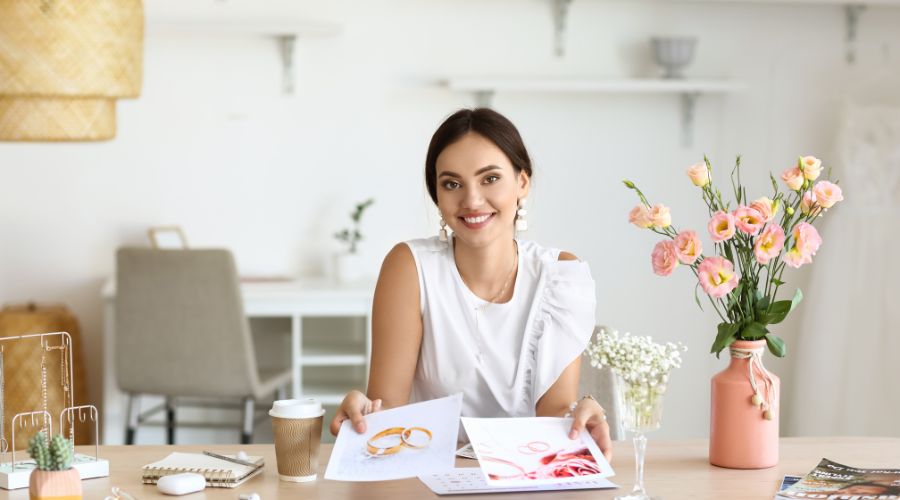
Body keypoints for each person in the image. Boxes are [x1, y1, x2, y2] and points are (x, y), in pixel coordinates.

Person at [329, 108, 612, 460]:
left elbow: (553, 418)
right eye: (452, 184)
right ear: (437, 193)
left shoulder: (560, 276)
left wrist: (579, 414)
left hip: (523, 480)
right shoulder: (409, 267)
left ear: (522, 182)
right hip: (426, 478)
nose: (472, 200)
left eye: (490, 178)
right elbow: (388, 420)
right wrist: (363, 412)